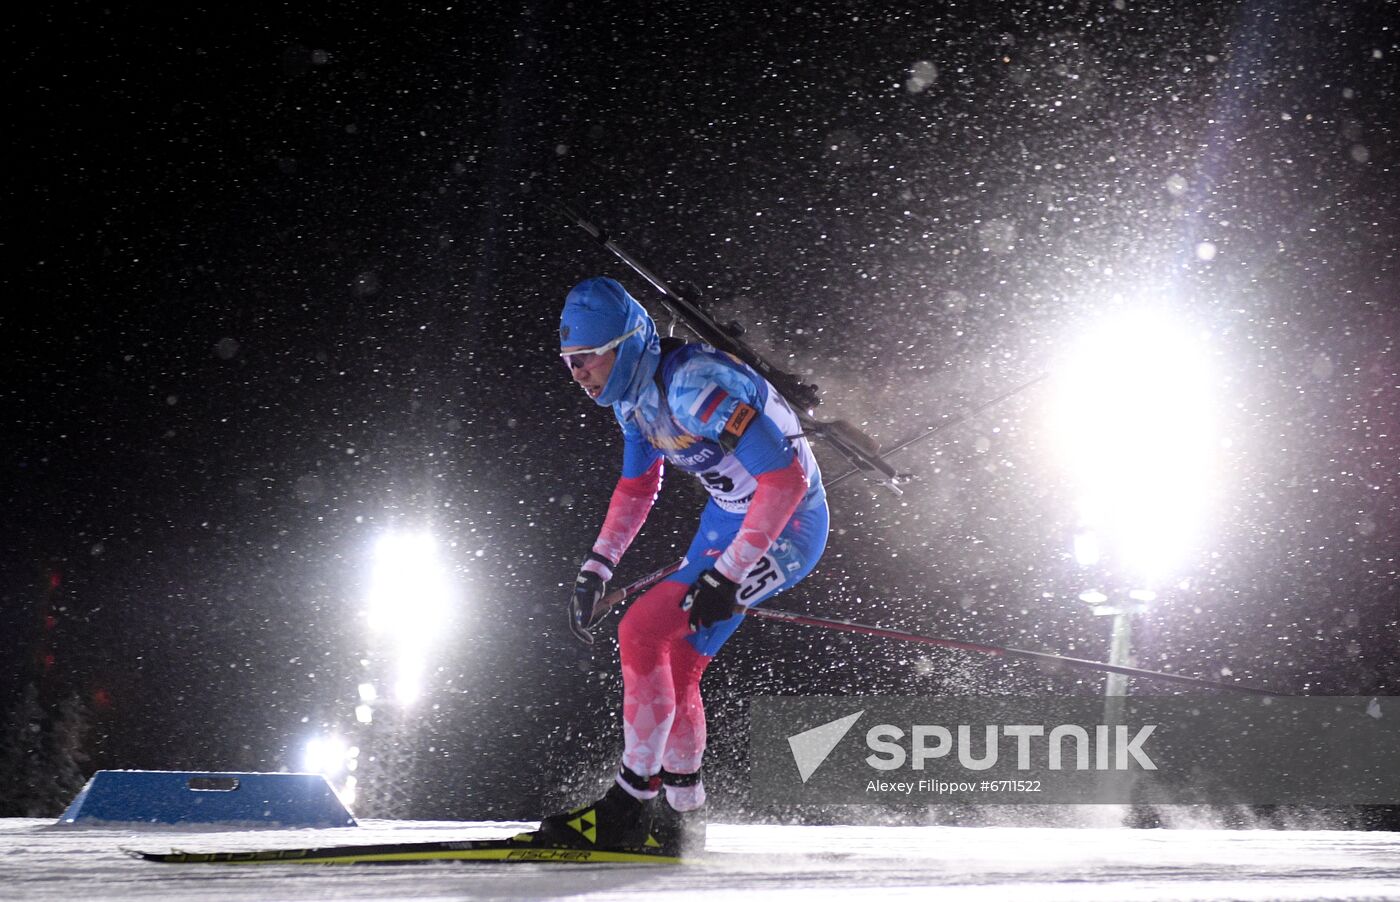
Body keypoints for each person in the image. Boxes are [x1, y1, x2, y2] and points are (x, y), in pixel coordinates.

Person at [536, 276, 829, 857]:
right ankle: (681, 816)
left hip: (787, 524)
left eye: (588, 357)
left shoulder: (694, 387)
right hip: (730, 520)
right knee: (676, 658)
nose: (578, 373)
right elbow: (639, 483)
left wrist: (729, 574)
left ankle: (629, 803)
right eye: (569, 360)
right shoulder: (630, 395)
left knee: (641, 629)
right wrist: (597, 567)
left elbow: (787, 480)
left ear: (626, 343)